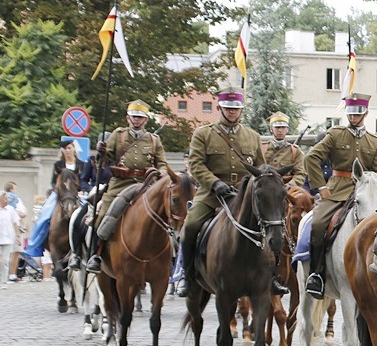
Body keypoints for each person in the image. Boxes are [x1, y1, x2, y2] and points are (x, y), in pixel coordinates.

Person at [175, 89, 285, 298]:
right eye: (228, 109)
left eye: (236, 109)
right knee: (190, 226)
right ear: (219, 108)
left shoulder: (252, 136)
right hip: (212, 193)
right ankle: (187, 277)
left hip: (244, 195)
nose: (232, 113)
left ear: (241, 110)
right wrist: (214, 183)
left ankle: (271, 278)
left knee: (272, 225)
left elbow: (261, 168)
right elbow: (197, 165)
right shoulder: (204, 133)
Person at [302, 94, 377, 299]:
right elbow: (311, 157)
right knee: (319, 223)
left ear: (365, 113)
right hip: (337, 191)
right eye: (350, 113)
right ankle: (316, 274)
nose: (353, 117)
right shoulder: (335, 134)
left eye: (357, 113)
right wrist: (320, 186)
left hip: (364, 192)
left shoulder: (373, 141)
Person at [83, 100, 169, 273]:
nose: (136, 120)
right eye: (133, 117)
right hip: (120, 184)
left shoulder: (154, 140)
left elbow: (162, 163)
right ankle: (95, 254)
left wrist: (160, 173)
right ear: (127, 118)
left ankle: (169, 255)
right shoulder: (118, 135)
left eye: (140, 117)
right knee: (104, 214)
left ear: (145, 120)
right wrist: (101, 153)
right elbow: (105, 160)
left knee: (166, 216)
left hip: (146, 184)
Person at [262, 112, 307, 188]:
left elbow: (300, 173)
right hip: (265, 186)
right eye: (277, 127)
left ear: (287, 129)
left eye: (283, 127)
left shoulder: (294, 151)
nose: (280, 130)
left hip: (286, 187)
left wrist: (291, 184)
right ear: (271, 129)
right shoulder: (262, 148)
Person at [0, 191, 19, 289]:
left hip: (7, 238)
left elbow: (15, 223)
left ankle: (3, 281)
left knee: (5, 261)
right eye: (5, 198)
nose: (7, 200)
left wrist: (18, 236)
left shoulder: (10, 209)